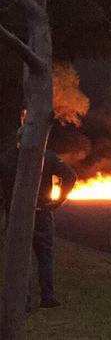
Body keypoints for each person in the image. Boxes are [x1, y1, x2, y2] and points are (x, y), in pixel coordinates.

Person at [0, 127, 77, 309]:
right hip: (41, 211)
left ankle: (23, 299)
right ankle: (47, 297)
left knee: (20, 255)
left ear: (18, 139)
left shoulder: (5, 159)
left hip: (16, 215)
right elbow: (70, 176)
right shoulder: (48, 157)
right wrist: (59, 201)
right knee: (45, 255)